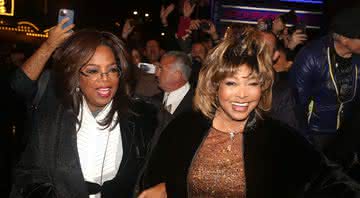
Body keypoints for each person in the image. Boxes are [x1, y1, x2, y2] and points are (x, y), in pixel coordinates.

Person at [138, 26, 360, 197]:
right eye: (232, 83)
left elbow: (332, 182)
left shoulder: (278, 137)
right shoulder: (184, 127)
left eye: (252, 83)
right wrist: (165, 187)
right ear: (215, 86)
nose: (243, 95)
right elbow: (151, 177)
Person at [10, 20, 154, 198]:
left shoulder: (137, 116)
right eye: (93, 71)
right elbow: (19, 85)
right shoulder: (53, 109)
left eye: (112, 70)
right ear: (76, 75)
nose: (105, 79)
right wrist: (49, 45)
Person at [290, 6, 360, 149]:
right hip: (315, 135)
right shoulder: (310, 57)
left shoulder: (357, 58)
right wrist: (307, 143)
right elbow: (296, 106)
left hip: (345, 135)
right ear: (345, 38)